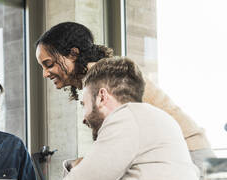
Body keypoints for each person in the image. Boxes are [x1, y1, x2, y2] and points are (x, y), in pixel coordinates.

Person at [55, 57, 204, 180]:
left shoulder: (125, 118)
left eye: (84, 104)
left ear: (101, 97)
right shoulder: (159, 120)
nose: (83, 118)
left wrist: (77, 168)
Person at [35, 21, 215, 170]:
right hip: (182, 152)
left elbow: (116, 142)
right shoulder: (96, 77)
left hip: (188, 153)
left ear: (73, 54)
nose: (45, 74)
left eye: (49, 64)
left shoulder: (103, 78)